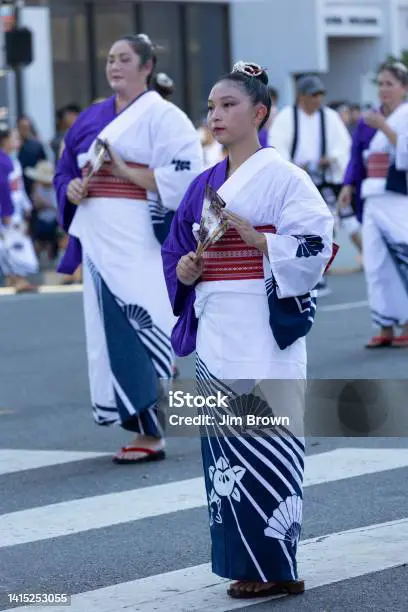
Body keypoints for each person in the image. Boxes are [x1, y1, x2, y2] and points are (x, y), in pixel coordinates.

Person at [162, 62, 334, 600]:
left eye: (228, 104)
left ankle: (277, 564)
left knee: (270, 437)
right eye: (211, 106)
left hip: (262, 326)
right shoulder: (202, 185)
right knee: (225, 453)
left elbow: (317, 244)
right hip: (216, 327)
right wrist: (185, 270)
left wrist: (262, 244)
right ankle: (247, 563)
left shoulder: (286, 178)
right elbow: (175, 252)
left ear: (259, 112)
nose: (216, 114)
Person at [54, 33, 202, 463]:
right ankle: (141, 422)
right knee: (110, 332)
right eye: (110, 58)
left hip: (139, 235)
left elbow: (184, 181)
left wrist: (123, 171)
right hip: (100, 237)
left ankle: (152, 432)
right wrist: (73, 187)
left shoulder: (165, 117)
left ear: (146, 66)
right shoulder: (89, 119)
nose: (114, 66)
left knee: (142, 322)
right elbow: (65, 169)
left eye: (124, 59)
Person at [268, 75, 351, 296]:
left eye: (320, 95)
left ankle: (320, 272)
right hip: (296, 178)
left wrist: (330, 158)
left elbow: (343, 146)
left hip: (323, 178)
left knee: (326, 223)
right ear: (301, 96)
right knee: (297, 224)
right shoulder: (287, 117)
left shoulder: (330, 117)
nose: (317, 99)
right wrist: (293, 167)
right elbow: (277, 146)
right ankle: (299, 272)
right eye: (313, 95)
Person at [349, 61, 408, 348]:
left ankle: (406, 322)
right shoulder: (370, 118)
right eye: (381, 83)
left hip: (397, 196)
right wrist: (349, 185)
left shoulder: (405, 115)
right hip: (372, 194)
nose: (384, 89)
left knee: (402, 257)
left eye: (390, 84)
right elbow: (357, 155)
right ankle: (383, 323)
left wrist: (383, 126)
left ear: (404, 88)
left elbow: (405, 153)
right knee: (375, 262)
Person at [0, 126, 38, 292]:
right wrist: (7, 212)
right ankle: (18, 278)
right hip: (7, 210)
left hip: (14, 208)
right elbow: (3, 188)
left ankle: (13, 277)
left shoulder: (10, 159)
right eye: (14, 137)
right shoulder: (3, 160)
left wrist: (26, 205)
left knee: (11, 242)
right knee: (14, 242)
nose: (18, 141)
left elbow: (18, 188)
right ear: (4, 140)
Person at [25, 160, 59, 261]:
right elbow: (36, 204)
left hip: (54, 220)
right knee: (39, 240)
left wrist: (46, 204)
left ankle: (51, 257)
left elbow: (55, 206)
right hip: (41, 220)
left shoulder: (56, 188)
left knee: (52, 240)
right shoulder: (37, 188)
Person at [17, 116, 47, 198]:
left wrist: (38, 184)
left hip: (33, 185)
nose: (24, 130)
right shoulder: (13, 145)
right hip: (17, 184)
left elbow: (43, 164)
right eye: (22, 127)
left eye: (26, 127)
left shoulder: (36, 145)